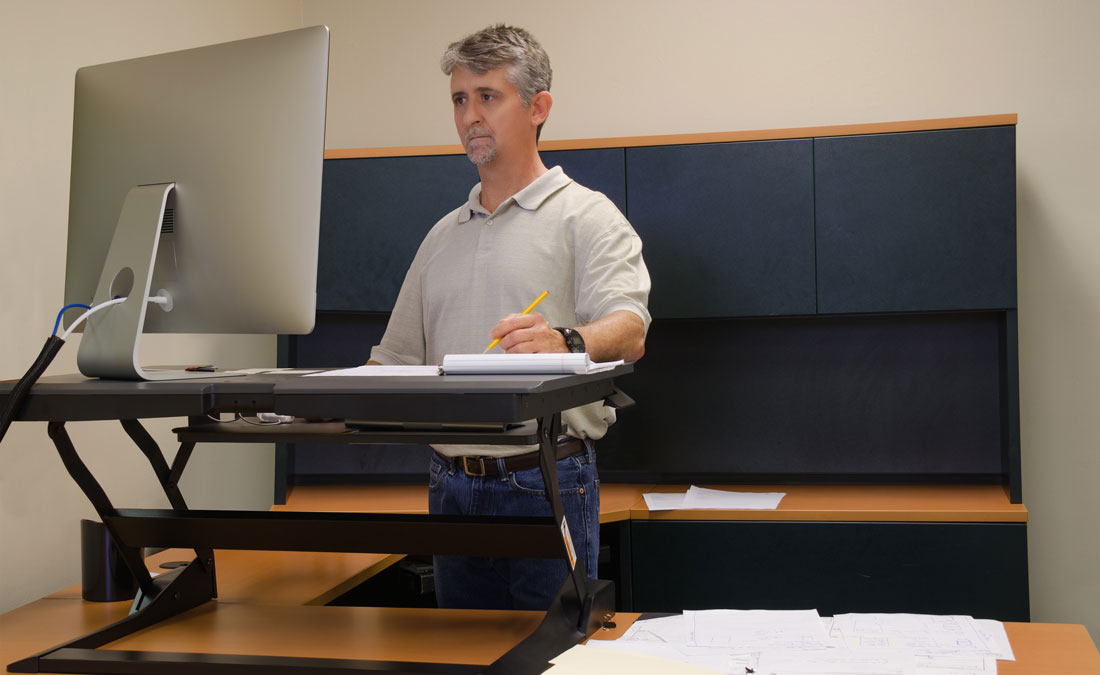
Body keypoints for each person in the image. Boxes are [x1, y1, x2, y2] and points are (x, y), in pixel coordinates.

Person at [369, 24, 651, 611]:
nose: (470, 115)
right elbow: (391, 360)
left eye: (487, 96)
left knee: (551, 658)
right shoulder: (440, 236)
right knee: (462, 654)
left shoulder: (588, 217)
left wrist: (565, 340)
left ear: (537, 107)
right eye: (459, 99)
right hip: (449, 484)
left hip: (542, 478)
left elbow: (630, 329)